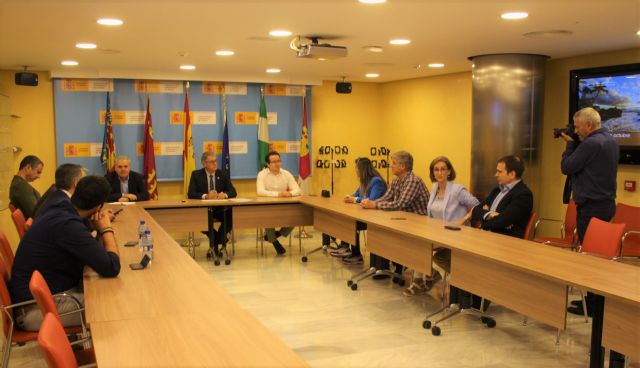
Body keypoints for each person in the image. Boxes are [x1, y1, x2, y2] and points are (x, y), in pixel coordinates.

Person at [8, 176, 121, 331]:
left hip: (40, 297)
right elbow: (111, 267)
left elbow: (92, 250)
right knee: (113, 305)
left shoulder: (61, 207)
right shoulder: (67, 225)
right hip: (33, 310)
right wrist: (106, 228)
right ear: (98, 207)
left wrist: (94, 225)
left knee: (101, 292)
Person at [560, 107, 618, 317]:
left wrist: (569, 145)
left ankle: (593, 306)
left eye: (577, 127)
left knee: (590, 257)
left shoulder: (591, 143)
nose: (575, 131)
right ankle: (593, 301)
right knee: (597, 256)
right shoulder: (610, 140)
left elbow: (567, 166)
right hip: (606, 204)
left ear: (589, 125)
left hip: (591, 207)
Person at [404, 156, 479, 296]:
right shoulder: (435, 188)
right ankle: (423, 277)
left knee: (420, 245)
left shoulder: (457, 190)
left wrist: (464, 219)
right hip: (438, 233)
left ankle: (426, 277)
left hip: (455, 233)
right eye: (436, 170)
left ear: (449, 172)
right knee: (415, 241)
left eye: (443, 169)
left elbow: (478, 205)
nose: (439, 173)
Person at [361, 151, 430, 277]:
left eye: (393, 163)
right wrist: (370, 203)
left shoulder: (412, 180)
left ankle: (394, 266)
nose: (390, 166)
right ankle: (386, 266)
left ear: (403, 166)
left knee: (386, 232)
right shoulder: (397, 180)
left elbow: (400, 204)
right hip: (404, 221)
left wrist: (375, 205)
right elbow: (386, 198)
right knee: (380, 230)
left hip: (419, 225)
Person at [329, 157, 387, 265]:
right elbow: (355, 195)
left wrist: (354, 199)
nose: (355, 170)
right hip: (365, 215)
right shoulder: (364, 181)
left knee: (351, 222)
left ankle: (356, 255)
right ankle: (345, 247)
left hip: (376, 218)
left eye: (357, 168)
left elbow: (371, 200)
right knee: (345, 218)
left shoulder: (376, 181)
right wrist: (349, 197)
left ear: (363, 169)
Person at [471, 155, 533, 238]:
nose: (496, 174)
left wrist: (484, 221)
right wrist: (490, 214)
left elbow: (502, 221)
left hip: (506, 241)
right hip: (488, 236)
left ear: (512, 174)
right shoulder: (497, 190)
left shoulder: (523, 194)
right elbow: (475, 210)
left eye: (499, 172)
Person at [187, 151, 237, 255]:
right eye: (212, 162)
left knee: (231, 215)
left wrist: (225, 195)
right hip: (204, 210)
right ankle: (219, 243)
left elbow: (233, 191)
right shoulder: (196, 175)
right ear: (204, 164)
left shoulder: (222, 174)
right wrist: (206, 196)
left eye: (216, 161)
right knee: (200, 219)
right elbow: (191, 193)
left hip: (220, 209)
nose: (215, 164)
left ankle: (215, 244)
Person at [256, 151, 301, 255]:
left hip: (285, 206)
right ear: (268, 164)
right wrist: (278, 194)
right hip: (267, 207)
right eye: (274, 161)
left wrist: (290, 194)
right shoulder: (262, 174)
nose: (277, 164)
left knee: (297, 216)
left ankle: (276, 234)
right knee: (268, 218)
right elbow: (260, 192)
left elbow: (297, 190)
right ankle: (275, 242)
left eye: (279, 161)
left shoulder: (286, 174)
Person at [9, 155, 44, 219]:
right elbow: (36, 213)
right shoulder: (20, 187)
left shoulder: (19, 184)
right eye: (38, 172)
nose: (39, 176)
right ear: (28, 168)